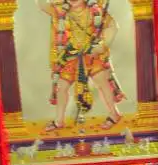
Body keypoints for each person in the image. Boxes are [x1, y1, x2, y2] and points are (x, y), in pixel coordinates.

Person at [37, 0, 124, 131]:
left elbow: (113, 26)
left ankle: (114, 114)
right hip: (70, 55)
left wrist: (101, 47)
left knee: (102, 82)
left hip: (92, 54)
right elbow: (42, 4)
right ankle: (58, 121)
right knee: (61, 87)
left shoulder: (95, 10)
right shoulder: (60, 10)